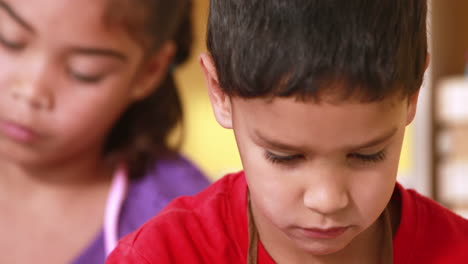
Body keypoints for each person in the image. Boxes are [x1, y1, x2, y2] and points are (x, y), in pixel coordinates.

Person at [106, 0, 468, 263]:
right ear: (220, 93)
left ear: (413, 93)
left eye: (366, 154)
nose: (327, 200)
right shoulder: (162, 256)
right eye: (286, 156)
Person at [0, 0, 209, 263]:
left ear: (149, 71)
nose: (31, 92)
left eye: (84, 72)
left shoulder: (184, 231)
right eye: (8, 40)